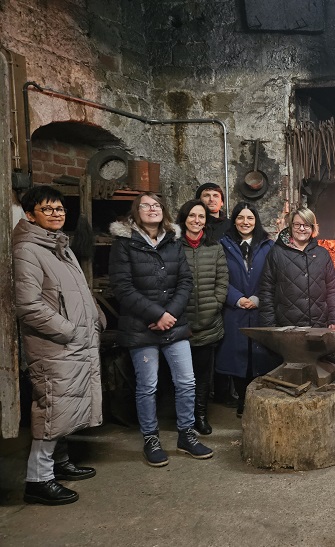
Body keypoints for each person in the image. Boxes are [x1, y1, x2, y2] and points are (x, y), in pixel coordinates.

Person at [109, 192, 213, 467]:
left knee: (186, 381)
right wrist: (156, 314)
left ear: (163, 211)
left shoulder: (172, 241)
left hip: (174, 324)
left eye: (157, 205)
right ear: (136, 211)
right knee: (148, 385)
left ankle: (186, 434)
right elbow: (122, 287)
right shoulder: (124, 243)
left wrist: (170, 314)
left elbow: (185, 282)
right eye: (146, 205)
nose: (152, 209)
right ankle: (151, 438)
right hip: (140, 327)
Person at [14, 186, 103, 505]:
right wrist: (69, 330)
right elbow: (28, 305)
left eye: (60, 209)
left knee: (62, 406)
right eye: (47, 209)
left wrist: (96, 316)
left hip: (73, 342)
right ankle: (38, 480)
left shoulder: (58, 245)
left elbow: (76, 291)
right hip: (54, 345)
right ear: (29, 215)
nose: (56, 214)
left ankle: (59, 462)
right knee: (51, 408)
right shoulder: (28, 248)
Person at [215, 202, 276, 417]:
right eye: (240, 218)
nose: (245, 222)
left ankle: (261, 399)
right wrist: (237, 298)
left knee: (261, 355)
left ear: (256, 221)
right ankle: (242, 399)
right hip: (234, 310)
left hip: (261, 309)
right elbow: (218, 276)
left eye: (250, 218)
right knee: (238, 356)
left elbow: (272, 275)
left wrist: (258, 298)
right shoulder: (223, 245)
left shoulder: (268, 246)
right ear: (234, 220)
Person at [176, 200, 229, 435]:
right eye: (192, 216)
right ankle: (183, 418)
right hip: (180, 322)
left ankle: (200, 415)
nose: (197, 220)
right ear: (184, 218)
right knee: (181, 377)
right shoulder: (174, 247)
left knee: (203, 375)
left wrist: (216, 305)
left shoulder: (214, 247)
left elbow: (222, 280)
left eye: (201, 217)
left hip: (209, 321)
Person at [259, 207, 335, 329]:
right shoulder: (276, 253)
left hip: (318, 326)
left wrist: (334, 320)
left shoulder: (322, 254)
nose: (302, 229)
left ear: (313, 228)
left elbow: (332, 290)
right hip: (286, 328)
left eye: (306, 225)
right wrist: (269, 325)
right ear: (291, 226)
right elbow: (266, 291)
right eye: (297, 225)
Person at [195, 182, 234, 404]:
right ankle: (202, 396)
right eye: (206, 195)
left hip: (225, 287)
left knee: (224, 343)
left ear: (221, 201)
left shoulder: (229, 225)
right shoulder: (194, 223)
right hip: (202, 292)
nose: (211, 199)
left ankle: (222, 391)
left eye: (215, 196)